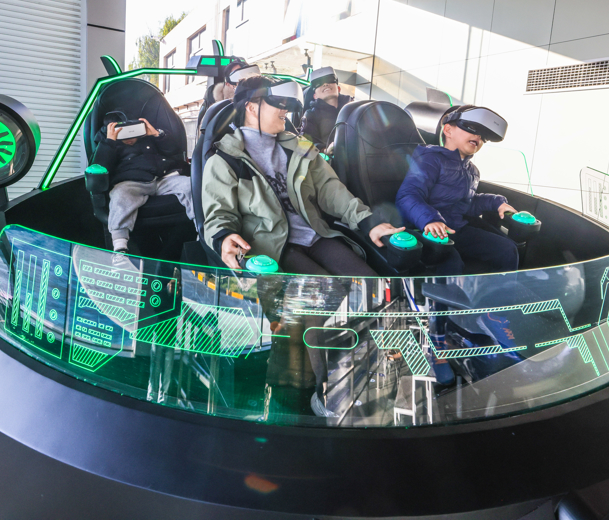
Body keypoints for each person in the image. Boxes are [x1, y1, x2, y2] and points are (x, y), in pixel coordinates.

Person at [201, 75, 403, 414]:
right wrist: (223, 237)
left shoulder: (300, 148)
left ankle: (368, 373)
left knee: (372, 286)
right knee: (320, 296)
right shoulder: (225, 159)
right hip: (271, 246)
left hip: (314, 234)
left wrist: (367, 221)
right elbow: (217, 213)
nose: (285, 111)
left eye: (287, 105)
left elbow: (331, 191)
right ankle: (327, 392)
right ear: (252, 107)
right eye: (277, 104)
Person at [396, 105, 520, 275]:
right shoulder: (430, 159)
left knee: (507, 249)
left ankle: (500, 291)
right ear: (448, 130)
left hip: (455, 228)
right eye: (472, 128)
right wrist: (430, 220)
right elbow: (408, 196)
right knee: (451, 263)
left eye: (483, 136)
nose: (479, 137)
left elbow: (467, 204)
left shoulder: (472, 171)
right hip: (425, 229)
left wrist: (497, 203)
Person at [93, 110, 193, 254]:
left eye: (132, 133)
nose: (129, 139)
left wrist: (157, 135)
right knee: (120, 195)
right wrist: (109, 142)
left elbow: (174, 151)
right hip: (132, 182)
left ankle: (203, 231)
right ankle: (120, 246)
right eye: (124, 134)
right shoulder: (109, 145)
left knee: (191, 186)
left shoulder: (148, 138)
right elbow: (100, 166)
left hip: (164, 178)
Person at [297, 67, 352, 151]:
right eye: (318, 83)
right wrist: (325, 150)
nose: (325, 84)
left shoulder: (353, 108)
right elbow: (305, 142)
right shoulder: (311, 115)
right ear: (315, 96)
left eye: (330, 80)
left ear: (338, 88)